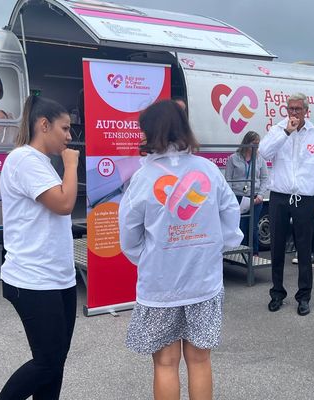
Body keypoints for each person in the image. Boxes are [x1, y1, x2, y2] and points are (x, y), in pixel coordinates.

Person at [119, 100, 243, 400]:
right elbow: (231, 217)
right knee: (200, 360)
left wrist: (152, 256)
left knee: (165, 363)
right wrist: (213, 249)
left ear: (148, 131)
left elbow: (128, 235)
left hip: (160, 285)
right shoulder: (208, 170)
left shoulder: (143, 177)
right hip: (204, 282)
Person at [0, 95, 79, 399]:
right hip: (32, 279)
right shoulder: (24, 159)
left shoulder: (39, 162)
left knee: (54, 362)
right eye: (65, 128)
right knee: (47, 362)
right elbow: (64, 204)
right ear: (44, 125)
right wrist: (71, 165)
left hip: (57, 278)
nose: (69, 137)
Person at [259, 93, 314, 316]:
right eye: (290, 109)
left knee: (304, 247)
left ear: (306, 111)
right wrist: (286, 132)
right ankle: (277, 292)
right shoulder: (278, 129)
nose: (294, 113)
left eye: (298, 109)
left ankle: (304, 296)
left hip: (305, 198)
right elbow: (264, 152)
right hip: (279, 195)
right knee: (277, 247)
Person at [225, 131, 269, 257]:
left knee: (253, 226)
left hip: (254, 197)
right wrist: (231, 197)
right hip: (238, 196)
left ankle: (254, 252)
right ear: (246, 143)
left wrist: (260, 195)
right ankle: (240, 252)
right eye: (253, 143)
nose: (256, 146)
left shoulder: (260, 159)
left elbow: (265, 178)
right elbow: (228, 179)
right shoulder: (233, 158)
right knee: (241, 226)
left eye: (258, 144)